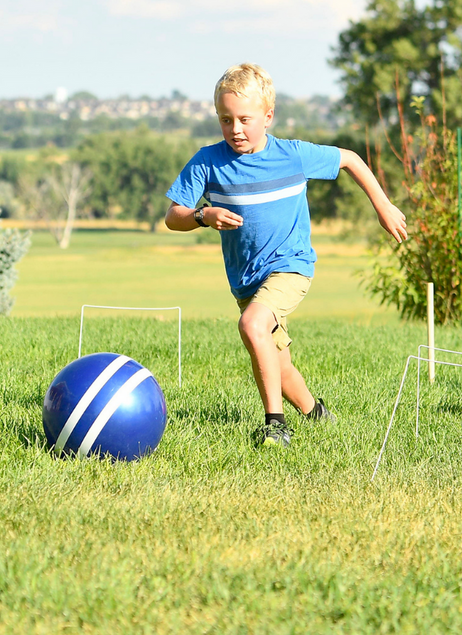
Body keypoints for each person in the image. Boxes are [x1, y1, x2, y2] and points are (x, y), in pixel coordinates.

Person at [165, 63, 409, 447]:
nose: (235, 129)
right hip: (246, 278)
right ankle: (316, 414)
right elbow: (172, 217)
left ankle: (275, 425)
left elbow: (349, 159)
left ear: (268, 116)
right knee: (279, 363)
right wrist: (202, 215)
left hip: (290, 267)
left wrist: (383, 205)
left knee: (252, 326)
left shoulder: (293, 156)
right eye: (225, 120)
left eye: (245, 119)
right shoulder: (207, 161)